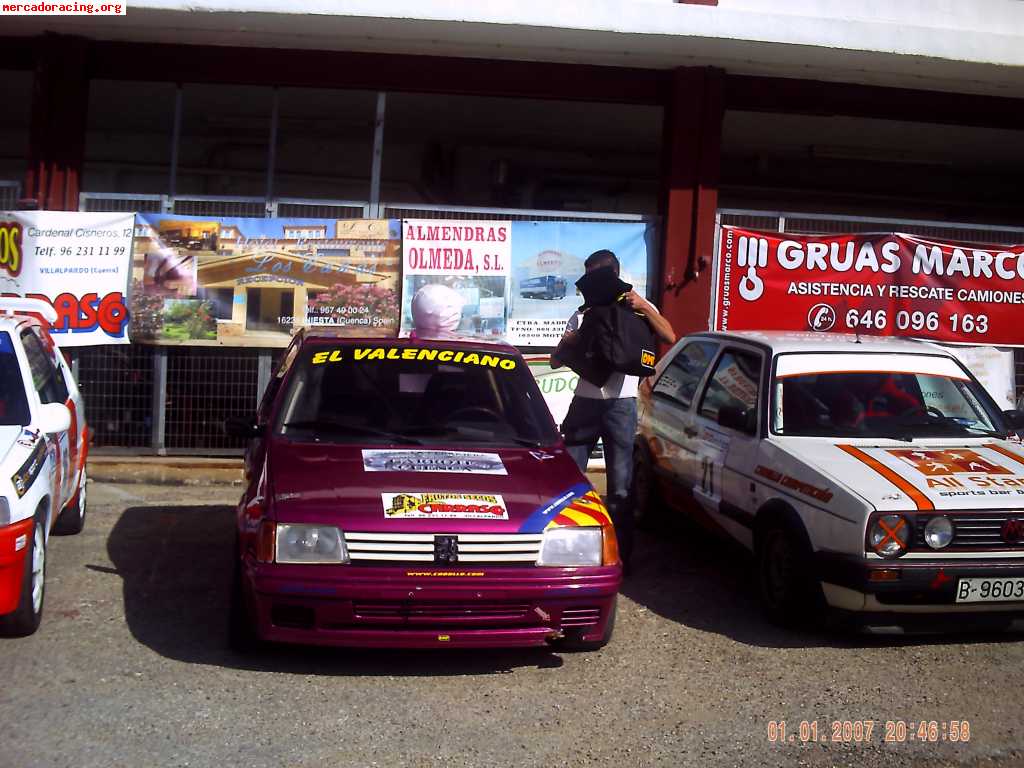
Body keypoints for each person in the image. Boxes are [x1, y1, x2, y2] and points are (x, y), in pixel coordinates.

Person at [551, 249, 675, 574]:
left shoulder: (637, 309)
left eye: (593, 275)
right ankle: (570, 553)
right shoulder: (582, 314)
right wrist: (572, 340)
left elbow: (669, 336)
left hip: (621, 406)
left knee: (621, 488)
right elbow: (555, 360)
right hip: (585, 403)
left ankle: (621, 560)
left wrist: (644, 306)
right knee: (572, 482)